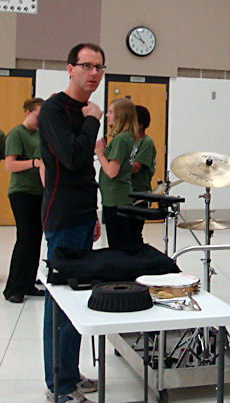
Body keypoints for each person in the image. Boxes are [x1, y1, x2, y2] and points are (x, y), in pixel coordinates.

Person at [39, 42, 105, 403]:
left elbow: (85, 175)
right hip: (62, 218)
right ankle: (58, 386)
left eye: (99, 67)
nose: (93, 73)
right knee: (60, 302)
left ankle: (69, 373)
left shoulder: (83, 109)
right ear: (70, 68)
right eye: (86, 65)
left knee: (77, 299)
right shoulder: (53, 109)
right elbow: (75, 157)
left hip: (81, 215)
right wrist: (93, 119)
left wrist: (93, 213)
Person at [3, 97, 45, 303]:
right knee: (25, 238)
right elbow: (10, 165)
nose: (40, 120)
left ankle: (28, 282)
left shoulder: (39, 134)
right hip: (22, 192)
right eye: (38, 116)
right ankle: (13, 287)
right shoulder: (16, 133)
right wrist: (33, 163)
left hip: (38, 192)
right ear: (28, 112)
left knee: (35, 239)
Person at [95, 98, 139, 251]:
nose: (107, 115)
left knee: (118, 244)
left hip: (116, 199)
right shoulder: (126, 138)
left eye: (111, 112)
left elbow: (112, 171)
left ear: (121, 115)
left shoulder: (121, 140)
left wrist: (100, 154)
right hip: (118, 197)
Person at [129, 105, 156, 241]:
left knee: (134, 234)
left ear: (140, 124)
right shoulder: (129, 140)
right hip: (127, 194)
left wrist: (115, 167)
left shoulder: (146, 142)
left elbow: (135, 168)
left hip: (139, 194)